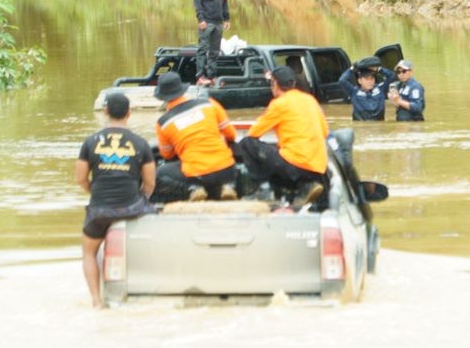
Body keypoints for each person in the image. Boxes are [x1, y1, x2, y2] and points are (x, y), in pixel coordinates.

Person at [76, 88, 156, 309]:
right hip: (132, 207)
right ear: (129, 113)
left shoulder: (90, 142)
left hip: (100, 210)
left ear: (105, 111)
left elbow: (80, 179)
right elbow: (150, 183)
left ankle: (96, 301)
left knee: (88, 252)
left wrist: (97, 192)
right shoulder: (140, 143)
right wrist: (142, 199)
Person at [233, 65, 329, 205]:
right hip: (318, 170)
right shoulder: (310, 100)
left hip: (295, 166)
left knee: (248, 144)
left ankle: (264, 190)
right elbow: (325, 132)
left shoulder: (279, 104)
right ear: (293, 84)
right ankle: (305, 187)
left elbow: (254, 133)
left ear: (275, 84)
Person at [151, 71, 239, 202]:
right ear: (182, 90)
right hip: (227, 170)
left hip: (196, 175)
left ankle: (194, 189)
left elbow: (167, 155)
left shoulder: (162, 124)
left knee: (160, 173)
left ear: (162, 97)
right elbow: (231, 135)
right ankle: (228, 185)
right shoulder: (209, 104)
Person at [192, 0, 230, 85]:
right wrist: (200, 19)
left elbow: (224, 1)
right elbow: (197, 2)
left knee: (214, 51)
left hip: (218, 22)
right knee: (202, 49)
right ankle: (200, 77)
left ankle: (212, 76)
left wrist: (227, 19)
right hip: (206, 22)